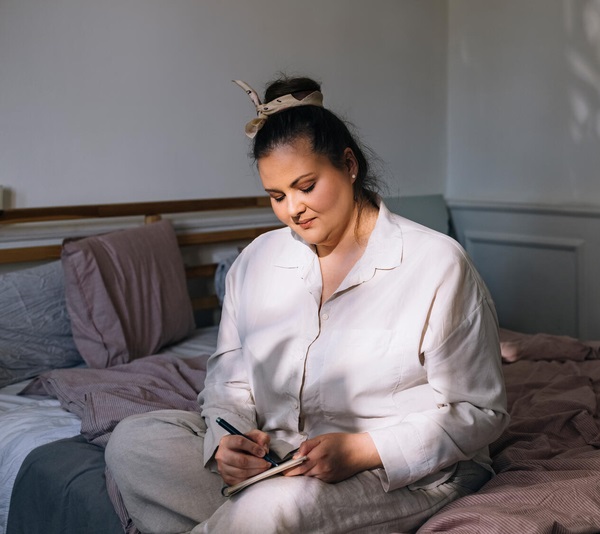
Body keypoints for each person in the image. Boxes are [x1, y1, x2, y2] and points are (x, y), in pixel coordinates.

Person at [106, 75, 508, 533]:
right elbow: (230, 381)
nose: (293, 209)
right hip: (280, 462)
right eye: (277, 196)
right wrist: (225, 441)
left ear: (349, 165)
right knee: (133, 443)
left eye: (306, 185)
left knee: (270, 511)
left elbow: (481, 411)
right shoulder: (256, 261)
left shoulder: (436, 264)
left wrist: (362, 449)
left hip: (405, 475)